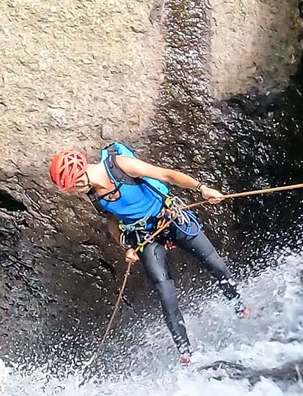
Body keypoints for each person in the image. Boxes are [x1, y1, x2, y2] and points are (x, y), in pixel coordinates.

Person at [50, 144, 243, 363]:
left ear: (81, 172)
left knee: (214, 263)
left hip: (170, 217)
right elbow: (111, 219)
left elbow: (166, 175)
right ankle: (186, 353)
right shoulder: (93, 193)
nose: (76, 190)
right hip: (142, 236)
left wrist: (201, 188)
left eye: (74, 185)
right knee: (165, 293)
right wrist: (126, 246)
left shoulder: (119, 165)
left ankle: (240, 307)